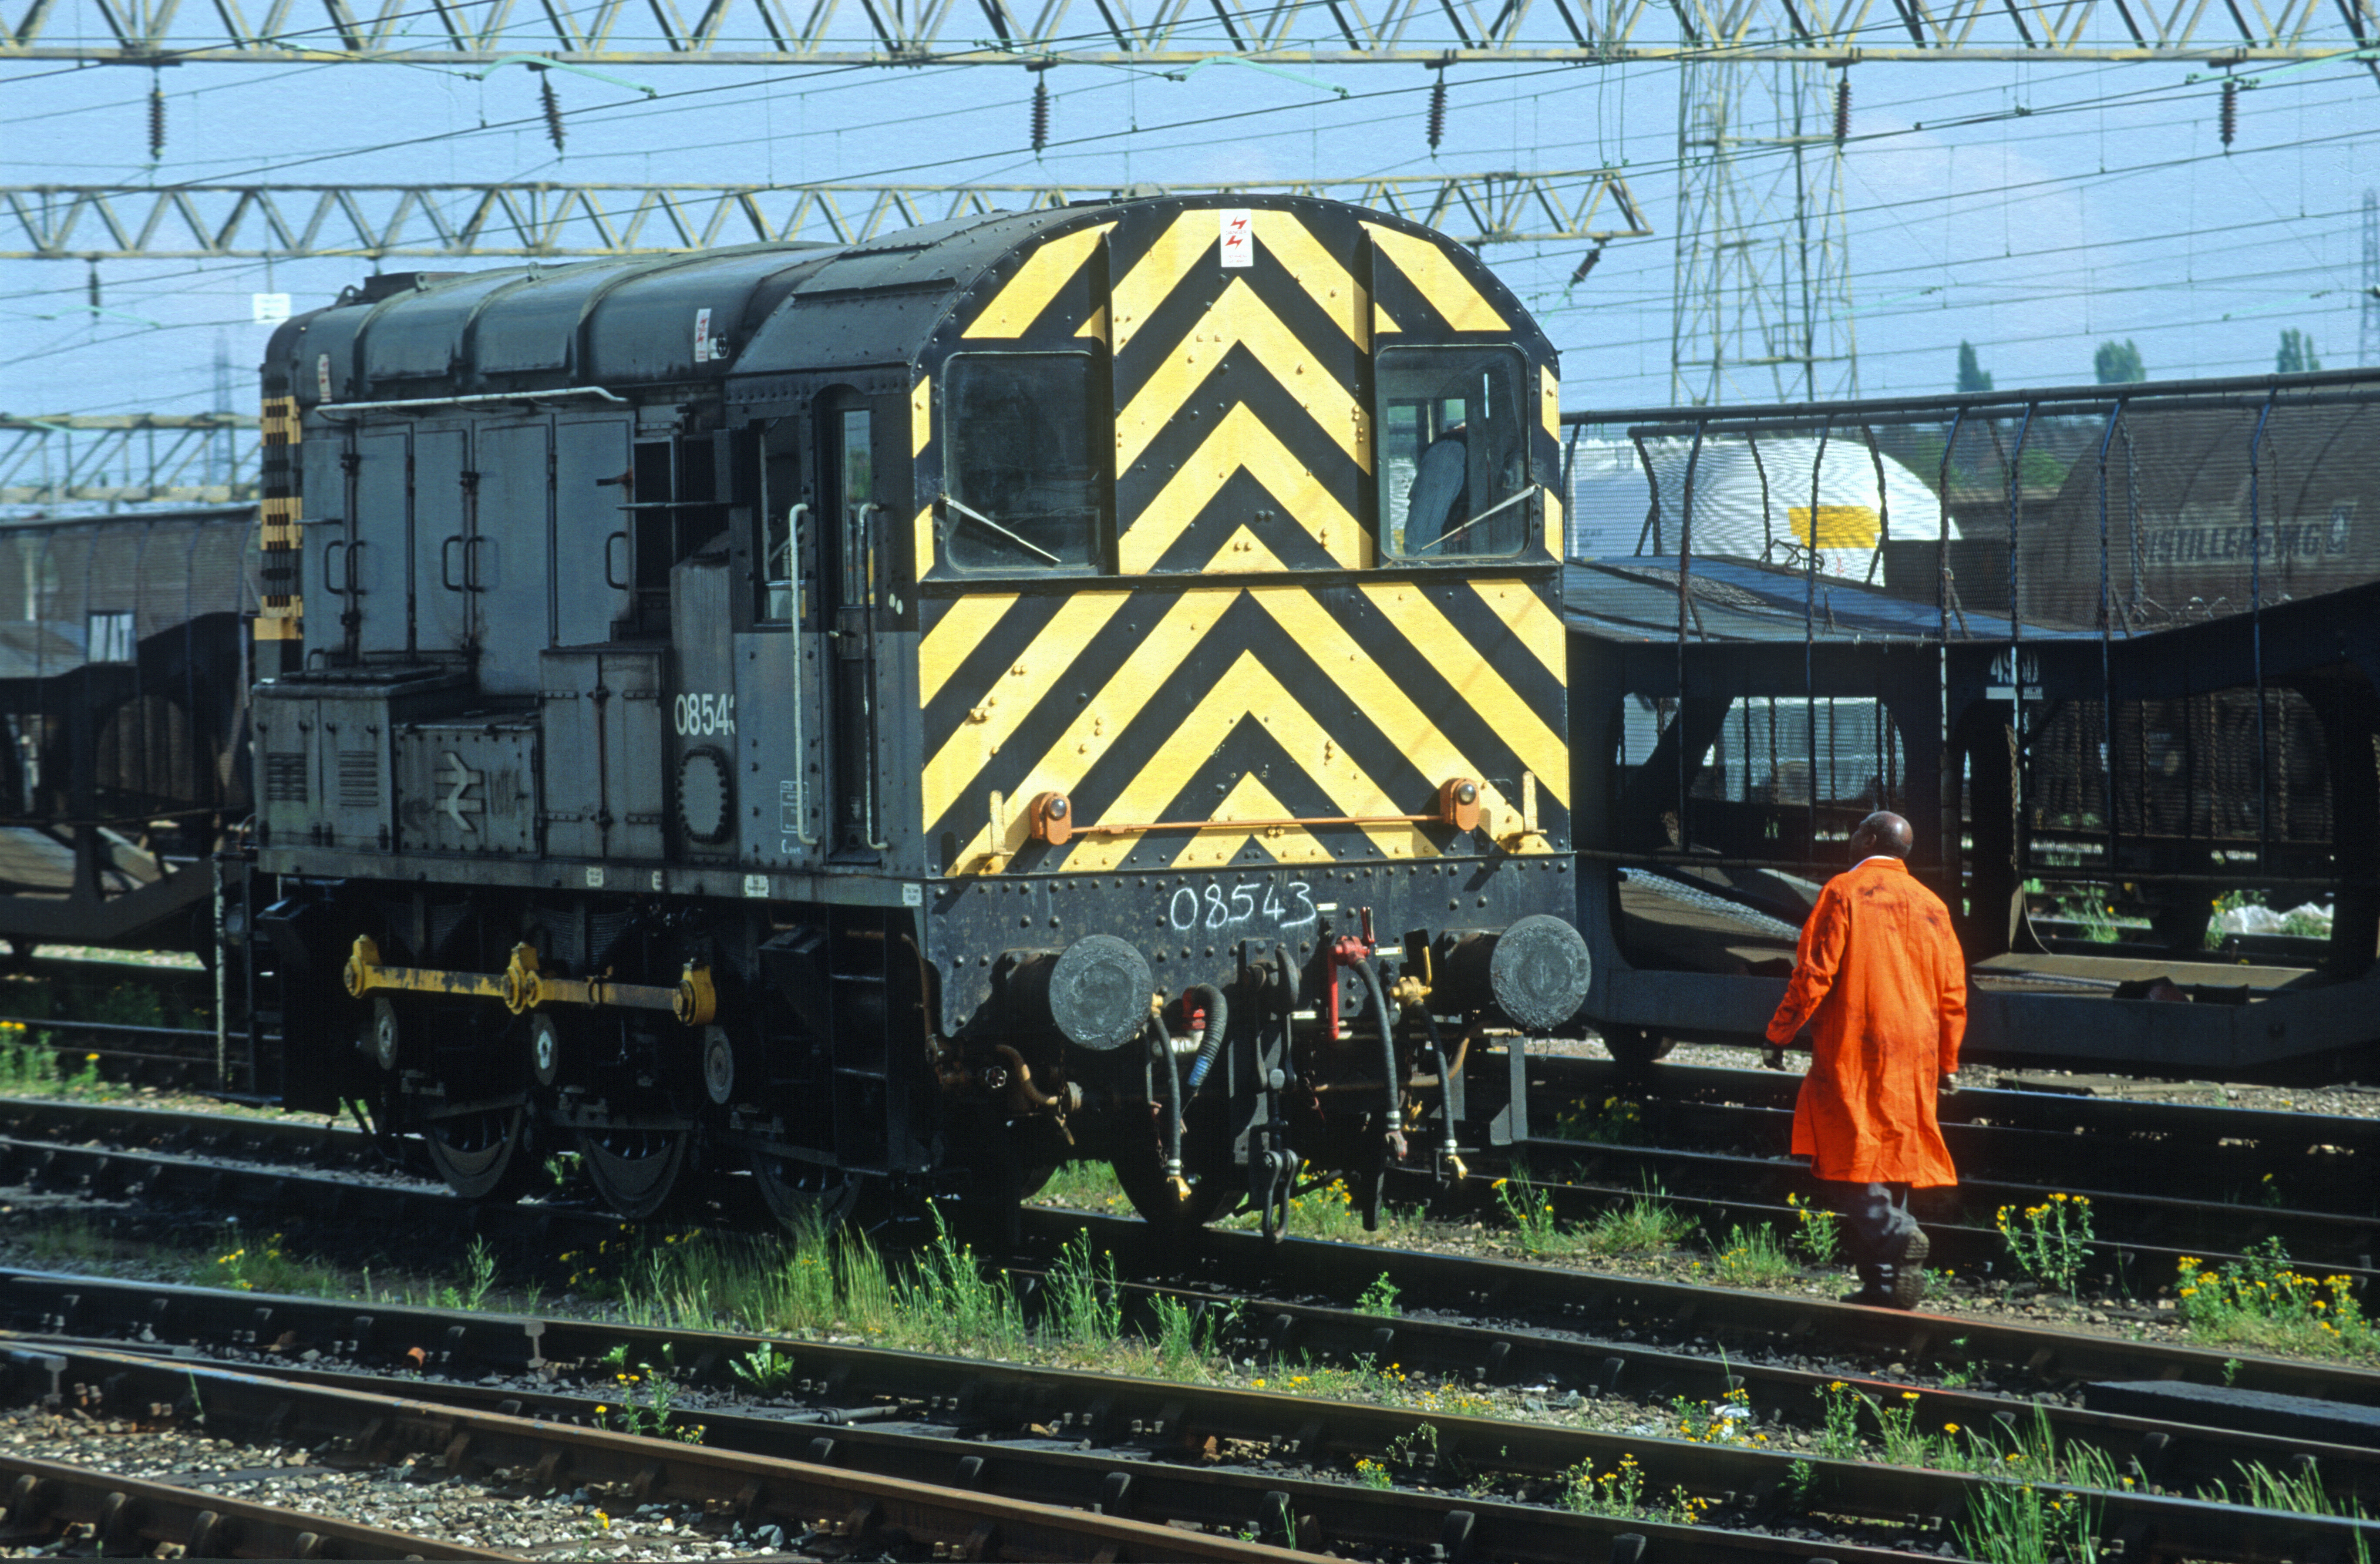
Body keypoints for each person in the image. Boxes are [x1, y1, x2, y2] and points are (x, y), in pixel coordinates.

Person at [1762, 810, 1966, 1308]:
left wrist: (1779, 1032)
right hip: (1915, 1047)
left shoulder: (1845, 890)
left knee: (1849, 1149)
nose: (1851, 837)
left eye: (1857, 830)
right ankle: (1884, 1284)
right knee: (1892, 1150)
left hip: (1857, 1040)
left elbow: (1814, 972)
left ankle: (1895, 1233)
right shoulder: (1932, 904)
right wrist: (1948, 1060)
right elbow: (1953, 993)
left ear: (1871, 838)